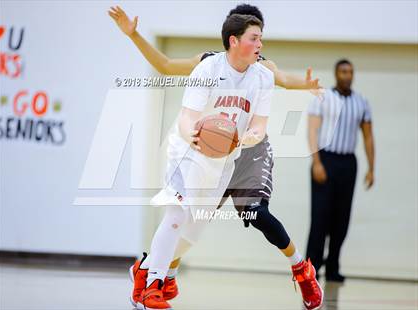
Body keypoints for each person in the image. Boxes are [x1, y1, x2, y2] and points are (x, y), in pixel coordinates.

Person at [109, 4, 323, 310]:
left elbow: (285, 82)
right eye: (253, 34)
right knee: (184, 217)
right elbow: (166, 65)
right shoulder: (209, 64)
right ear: (233, 37)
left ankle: (301, 270)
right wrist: (134, 36)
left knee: (249, 214)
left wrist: (306, 85)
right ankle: (156, 275)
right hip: (205, 146)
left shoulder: (262, 70)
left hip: (246, 149)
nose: (259, 42)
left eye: (261, 34)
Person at [307, 59, 375, 283]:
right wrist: (316, 162)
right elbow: (313, 131)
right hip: (326, 160)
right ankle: (312, 267)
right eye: (343, 71)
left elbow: (367, 136)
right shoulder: (323, 98)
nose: (347, 75)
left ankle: (333, 266)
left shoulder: (361, 102)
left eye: (350, 72)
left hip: (348, 164)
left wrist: (371, 168)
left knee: (341, 219)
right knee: (320, 218)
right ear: (336, 74)